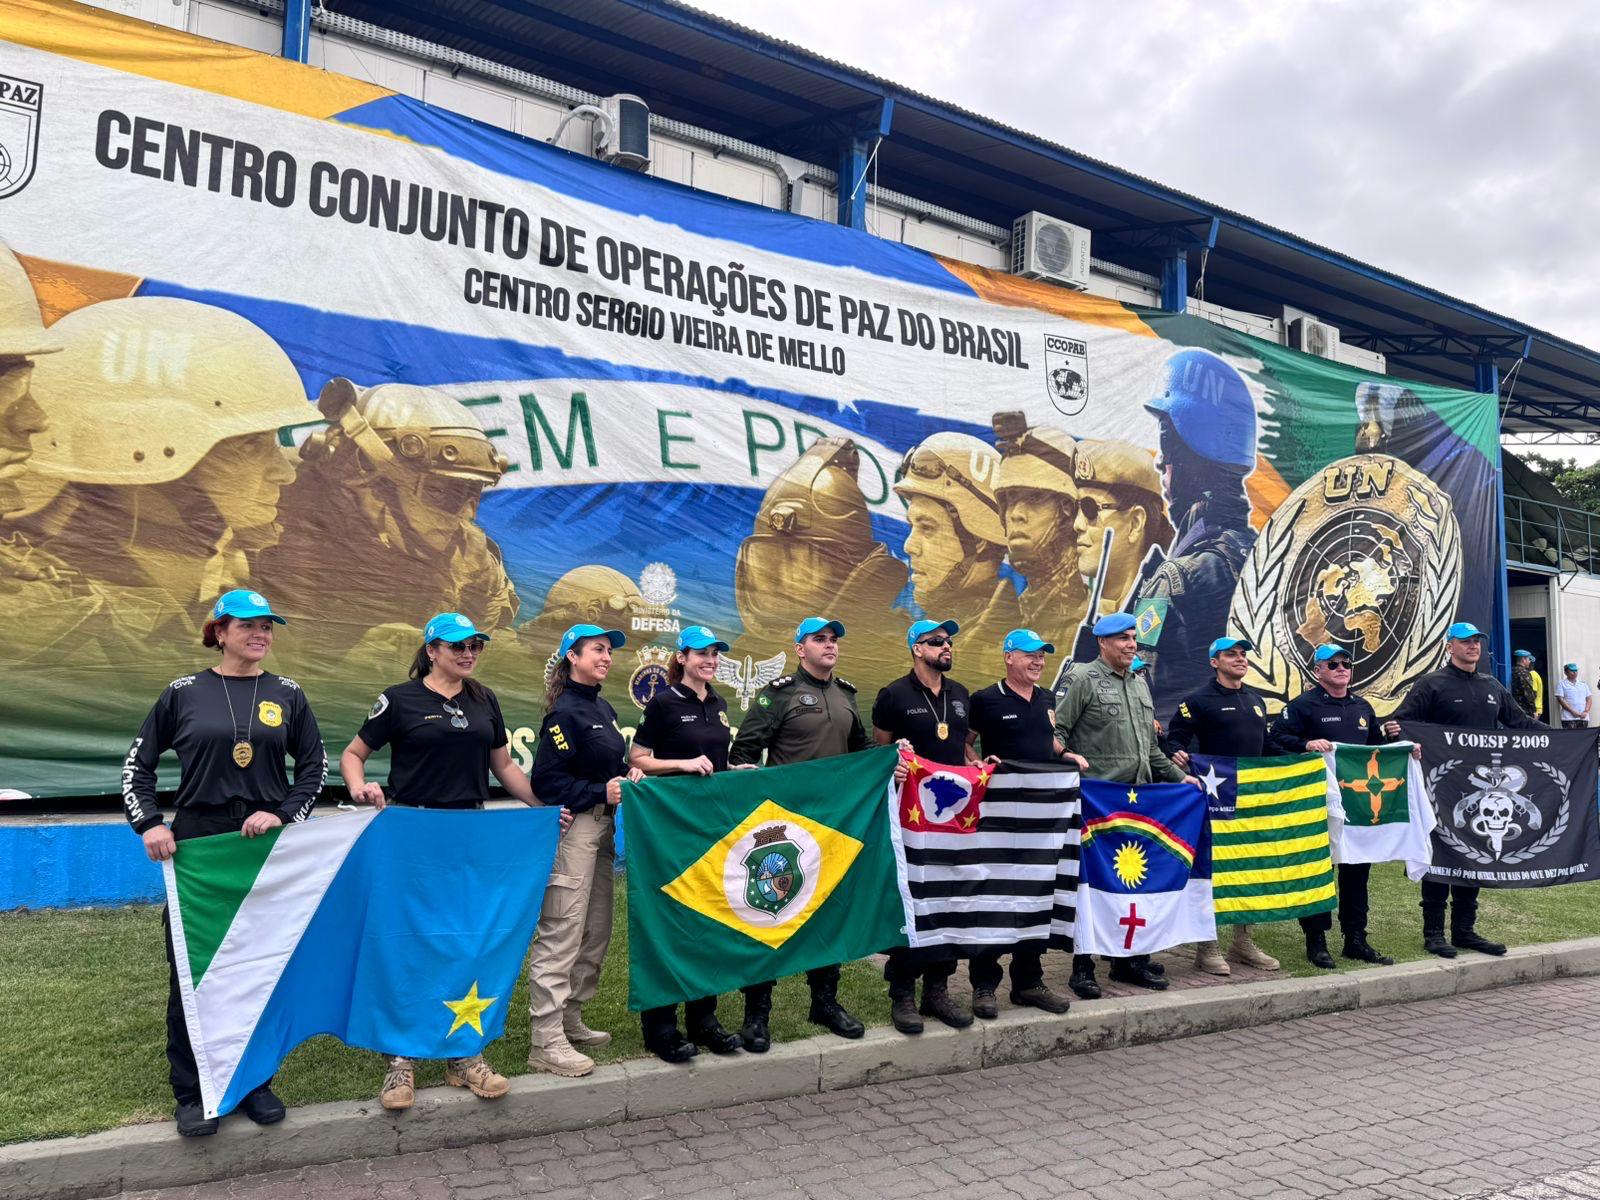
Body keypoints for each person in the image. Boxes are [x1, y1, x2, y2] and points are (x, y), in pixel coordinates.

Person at [123, 589, 327, 1137]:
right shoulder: (183, 692)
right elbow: (137, 767)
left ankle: (253, 1083)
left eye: (267, 626)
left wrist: (281, 814)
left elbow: (315, 768)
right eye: (248, 625)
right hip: (200, 844)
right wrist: (150, 823)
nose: (260, 634)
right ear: (219, 632)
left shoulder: (288, 693)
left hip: (262, 846)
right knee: (194, 968)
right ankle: (193, 1093)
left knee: (259, 965)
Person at [340, 612, 552, 1111]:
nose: (468, 652)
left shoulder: (484, 699)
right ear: (431, 650)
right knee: (409, 942)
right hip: (412, 836)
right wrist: (358, 787)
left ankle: (464, 1055)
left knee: (466, 939)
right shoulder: (399, 699)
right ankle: (401, 1061)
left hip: (469, 836)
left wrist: (541, 810)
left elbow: (503, 765)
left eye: (475, 644)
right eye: (457, 645)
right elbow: (353, 754)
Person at [17, 298, 312, 610]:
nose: (285, 474)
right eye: (251, 445)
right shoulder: (55, 610)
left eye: (273, 444)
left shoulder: (204, 574)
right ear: (135, 449)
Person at [261, 378, 518, 650]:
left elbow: (487, 646)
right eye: (442, 492)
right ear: (369, 480)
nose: (465, 514)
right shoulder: (270, 520)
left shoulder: (470, 559)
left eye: (473, 493)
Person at [728, 616, 872, 1050]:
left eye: (834, 640)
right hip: (784, 830)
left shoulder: (846, 694)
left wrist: (891, 757)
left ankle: (824, 1003)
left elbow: (862, 752)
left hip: (832, 826)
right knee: (769, 913)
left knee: (827, 912)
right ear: (800, 649)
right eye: (819, 639)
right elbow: (743, 752)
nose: (830, 645)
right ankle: (757, 1014)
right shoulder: (779, 693)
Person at [1056, 614, 1198, 994]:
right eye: (1123, 638)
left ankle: (1128, 961)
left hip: (1138, 804)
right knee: (1092, 887)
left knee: (1132, 882)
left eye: (1133, 637)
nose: (1132, 644)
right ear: (1102, 642)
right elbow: (1058, 733)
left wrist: (1179, 778)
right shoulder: (1082, 678)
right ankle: (1082, 966)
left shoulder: (1139, 683)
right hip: (1098, 805)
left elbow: (1151, 750)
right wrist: (1068, 758)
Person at [525, 623, 642, 1077]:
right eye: (597, 649)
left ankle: (570, 1018)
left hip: (604, 830)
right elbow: (545, 781)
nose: (606, 656)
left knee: (595, 930)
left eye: (609, 650)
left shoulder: (602, 707)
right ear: (571, 657)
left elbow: (606, 768)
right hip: (575, 831)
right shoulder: (564, 713)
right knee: (563, 931)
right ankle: (545, 1040)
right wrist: (599, 790)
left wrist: (627, 776)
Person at [1393, 621, 1545, 958]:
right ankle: (1433, 934)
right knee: (1439, 855)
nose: (1473, 646)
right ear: (1450, 646)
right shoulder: (1431, 684)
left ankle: (1464, 931)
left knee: (1472, 854)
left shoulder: (1491, 685)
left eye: (1476, 641)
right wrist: (1402, 737)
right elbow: (1401, 723)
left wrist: (1568, 738)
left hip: (1480, 789)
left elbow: (1521, 723)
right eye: (1465, 641)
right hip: (1439, 787)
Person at [629, 625, 746, 1064]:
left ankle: (703, 1018)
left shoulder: (719, 703)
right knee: (671, 918)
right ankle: (660, 1026)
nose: (710, 660)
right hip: (671, 828)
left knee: (710, 916)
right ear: (682, 658)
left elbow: (713, 763)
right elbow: (638, 759)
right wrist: (683, 763)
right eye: (701, 653)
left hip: (711, 826)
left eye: (715, 653)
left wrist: (734, 769)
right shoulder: (663, 702)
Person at [964, 628, 1087, 1015]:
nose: (1038, 661)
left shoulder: (1047, 698)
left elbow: (1047, 739)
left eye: (1042, 655)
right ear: (1008, 657)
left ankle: (1029, 983)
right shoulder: (985, 699)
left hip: (1042, 818)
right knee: (993, 896)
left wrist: (1065, 754)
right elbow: (965, 742)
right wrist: (976, 762)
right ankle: (984, 985)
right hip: (999, 819)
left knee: (1038, 894)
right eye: (1030, 654)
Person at [1129, 349, 1258, 709]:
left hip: (1176, 737)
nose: (1160, 462)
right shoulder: (1259, 557)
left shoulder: (1174, 577)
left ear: (1189, 461)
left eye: (1167, 450)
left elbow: (1134, 676)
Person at [1271, 643, 1407, 969]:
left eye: (1346, 663)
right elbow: (1274, 741)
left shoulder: (1362, 707)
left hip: (1358, 806)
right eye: (1332, 664)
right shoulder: (1302, 706)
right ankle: (1316, 941)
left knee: (1357, 871)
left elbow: (1375, 751)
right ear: (1317, 671)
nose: (1342, 668)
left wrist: (1396, 743)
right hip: (1316, 801)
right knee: (1319, 870)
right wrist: (1305, 744)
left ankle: (1355, 939)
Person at [871, 619, 976, 1035]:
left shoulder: (961, 694)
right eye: (936, 642)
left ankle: (938, 989)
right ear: (917, 648)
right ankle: (902, 992)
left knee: (948, 900)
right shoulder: (894, 694)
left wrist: (979, 766)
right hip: (911, 819)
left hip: (952, 820)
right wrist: (894, 760)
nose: (946, 646)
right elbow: (880, 752)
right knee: (912, 899)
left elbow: (963, 749)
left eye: (949, 641)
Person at [1163, 636, 1286, 975]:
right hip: (1215, 801)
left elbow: (1268, 745)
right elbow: (1175, 738)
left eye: (1243, 654)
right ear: (1214, 662)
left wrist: (1303, 760)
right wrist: (1176, 753)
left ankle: (1242, 942)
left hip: (1251, 800)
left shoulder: (1255, 700)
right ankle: (1207, 946)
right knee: (1213, 870)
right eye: (1231, 654)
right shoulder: (1198, 700)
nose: (1240, 659)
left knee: (1247, 868)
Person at [894, 433, 1021, 679]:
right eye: (912, 527)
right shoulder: (923, 630)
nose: (909, 546)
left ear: (979, 540)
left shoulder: (998, 654)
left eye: (927, 528)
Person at [991, 415, 1087, 653]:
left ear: (1067, 509)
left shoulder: (1087, 626)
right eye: (1009, 499)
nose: (1016, 514)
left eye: (1034, 498)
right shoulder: (1013, 616)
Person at [1069, 440, 1174, 618]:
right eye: (1075, 508)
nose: (1077, 524)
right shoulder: (1080, 610)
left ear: (1135, 523)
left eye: (1090, 508)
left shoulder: (1164, 607)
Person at [1556, 662, 1591, 728]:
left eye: (1576, 670)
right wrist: (1573, 712)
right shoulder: (1561, 684)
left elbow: (1589, 698)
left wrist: (1586, 711)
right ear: (1565, 673)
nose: (1575, 672)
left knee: (1583, 734)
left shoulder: (1583, 684)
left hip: (1583, 718)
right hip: (1568, 718)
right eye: (1572, 671)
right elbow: (1560, 700)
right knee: (1570, 734)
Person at [1511, 650, 1541, 719]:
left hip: (1513, 707)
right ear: (1523, 659)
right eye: (1528, 659)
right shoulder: (1524, 673)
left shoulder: (1512, 670)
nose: (1529, 662)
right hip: (1524, 710)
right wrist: (1534, 711)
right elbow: (1529, 694)